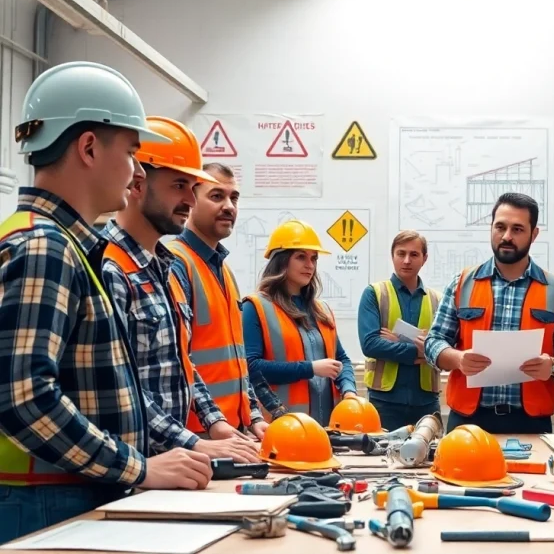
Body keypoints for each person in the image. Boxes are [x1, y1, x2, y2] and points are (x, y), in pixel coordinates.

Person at [0, 62, 212, 542]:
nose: (138, 170)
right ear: (89, 148)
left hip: (59, 490)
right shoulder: (44, 247)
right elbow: (23, 397)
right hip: (43, 497)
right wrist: (138, 468)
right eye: (133, 152)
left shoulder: (65, 245)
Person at [101, 116, 262, 464]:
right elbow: (120, 385)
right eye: (179, 185)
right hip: (140, 462)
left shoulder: (159, 266)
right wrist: (194, 441)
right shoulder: (110, 268)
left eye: (193, 187)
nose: (190, 199)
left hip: (177, 455)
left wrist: (216, 422)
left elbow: (182, 360)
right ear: (137, 183)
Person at [425, 192, 554, 434]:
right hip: (468, 421)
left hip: (530, 423)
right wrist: (457, 359)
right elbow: (434, 342)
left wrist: (552, 366)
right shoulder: (462, 283)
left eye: (518, 229)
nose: (507, 236)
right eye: (500, 227)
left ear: (534, 234)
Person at [167, 163, 268, 439]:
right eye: (216, 196)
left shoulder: (224, 270)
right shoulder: (176, 264)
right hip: (195, 434)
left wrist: (253, 415)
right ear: (190, 200)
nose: (229, 206)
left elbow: (237, 358)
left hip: (229, 430)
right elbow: (178, 357)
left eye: (233, 197)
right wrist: (215, 425)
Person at [242, 220, 359, 426]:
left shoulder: (321, 310)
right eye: (301, 257)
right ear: (281, 260)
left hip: (327, 426)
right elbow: (250, 368)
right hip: (282, 425)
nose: (310, 265)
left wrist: (349, 389)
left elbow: (341, 360)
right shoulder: (256, 307)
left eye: (314, 258)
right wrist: (310, 368)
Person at [357, 230, 442, 431]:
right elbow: (370, 345)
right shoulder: (374, 293)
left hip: (427, 401)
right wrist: (419, 351)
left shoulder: (438, 300)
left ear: (424, 258)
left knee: (428, 458)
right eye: (400, 253)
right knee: (382, 458)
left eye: (414, 255)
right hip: (384, 400)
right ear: (392, 255)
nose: (406, 260)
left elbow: (447, 346)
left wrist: (397, 343)